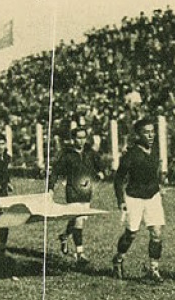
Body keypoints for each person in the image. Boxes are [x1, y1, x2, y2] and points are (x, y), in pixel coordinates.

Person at [112, 119, 165, 282]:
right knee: (131, 234)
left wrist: (159, 185)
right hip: (134, 198)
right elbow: (118, 179)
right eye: (146, 132)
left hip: (153, 197)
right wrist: (121, 200)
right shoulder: (131, 155)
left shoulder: (154, 151)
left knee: (156, 232)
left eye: (152, 131)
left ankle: (153, 269)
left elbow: (154, 172)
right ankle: (118, 259)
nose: (150, 135)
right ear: (138, 134)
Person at [49, 126, 105, 266]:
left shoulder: (89, 153)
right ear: (72, 139)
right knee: (78, 220)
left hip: (86, 190)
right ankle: (80, 254)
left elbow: (99, 164)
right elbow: (56, 172)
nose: (81, 141)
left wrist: (100, 172)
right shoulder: (67, 155)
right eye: (78, 138)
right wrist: (51, 188)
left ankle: (64, 236)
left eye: (83, 137)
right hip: (72, 190)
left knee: (76, 220)